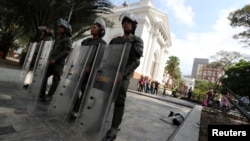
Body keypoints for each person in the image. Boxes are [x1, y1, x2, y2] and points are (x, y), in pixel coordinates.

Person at [105, 12, 143, 140]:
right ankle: (98, 120)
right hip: (110, 74)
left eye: (128, 22)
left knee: (119, 101)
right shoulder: (116, 40)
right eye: (124, 22)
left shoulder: (137, 40)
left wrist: (124, 74)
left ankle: (114, 127)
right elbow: (108, 56)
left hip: (123, 76)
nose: (125, 24)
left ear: (133, 25)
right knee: (104, 97)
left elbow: (136, 61)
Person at [71, 17, 107, 118]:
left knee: (86, 92)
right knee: (73, 88)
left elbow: (101, 60)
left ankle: (77, 111)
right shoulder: (85, 42)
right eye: (92, 27)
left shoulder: (103, 44)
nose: (91, 29)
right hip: (80, 70)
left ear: (100, 30)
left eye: (94, 27)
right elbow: (81, 55)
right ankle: (74, 107)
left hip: (91, 73)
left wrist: (91, 68)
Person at [39, 18, 72, 102]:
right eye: (59, 27)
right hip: (51, 61)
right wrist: (49, 59)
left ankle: (49, 95)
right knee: (44, 76)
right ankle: (42, 93)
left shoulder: (67, 39)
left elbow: (66, 51)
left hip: (59, 63)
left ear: (65, 29)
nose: (59, 28)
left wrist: (55, 59)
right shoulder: (59, 39)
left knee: (56, 80)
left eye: (61, 27)